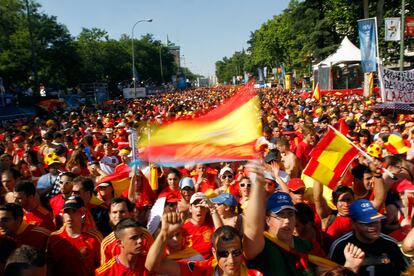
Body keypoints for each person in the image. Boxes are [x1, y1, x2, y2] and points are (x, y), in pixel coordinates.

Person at [243, 163, 330, 276]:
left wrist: (350, 265)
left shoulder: (308, 246)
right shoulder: (263, 246)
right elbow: (251, 230)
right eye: (280, 215)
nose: (287, 221)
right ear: (267, 220)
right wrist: (257, 186)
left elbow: (328, 270)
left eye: (290, 214)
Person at [145, 212, 263, 276]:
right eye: (224, 253)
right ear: (214, 252)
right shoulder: (201, 270)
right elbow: (153, 266)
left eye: (236, 252)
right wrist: (164, 234)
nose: (231, 260)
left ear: (242, 251)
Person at [329, 199, 409, 276]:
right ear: (353, 224)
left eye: (376, 221)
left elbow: (405, 272)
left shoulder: (391, 244)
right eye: (367, 223)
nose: (373, 227)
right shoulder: (340, 247)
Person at [47, 196, 102, 276]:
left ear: (82, 213)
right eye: (66, 212)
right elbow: (49, 268)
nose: (69, 215)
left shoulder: (94, 237)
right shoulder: (54, 238)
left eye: (74, 211)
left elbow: (103, 266)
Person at [100, 197, 143, 265]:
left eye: (122, 212)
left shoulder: (145, 235)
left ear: (131, 213)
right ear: (110, 215)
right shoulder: (106, 244)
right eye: (114, 212)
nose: (118, 215)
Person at [181, 192, 223, 259]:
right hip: (189, 266)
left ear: (206, 209)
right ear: (190, 209)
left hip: (209, 265)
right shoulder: (183, 229)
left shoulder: (212, 225)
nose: (199, 209)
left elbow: (222, 236)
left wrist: (212, 208)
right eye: (196, 206)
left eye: (202, 206)